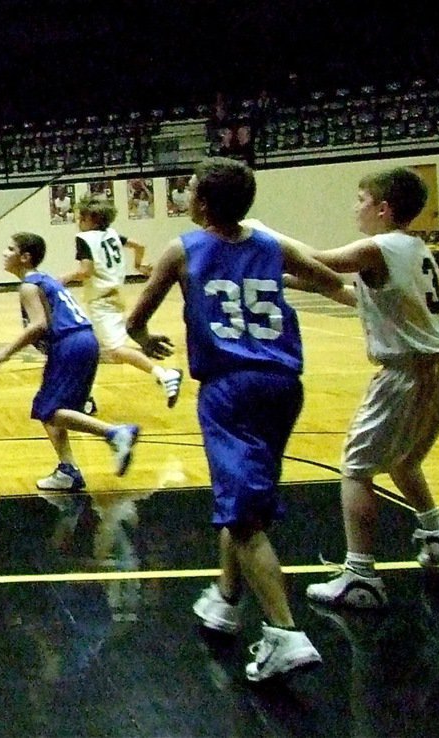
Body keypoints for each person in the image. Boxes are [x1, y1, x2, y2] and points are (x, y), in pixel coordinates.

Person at [125, 157, 341, 681]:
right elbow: (332, 279)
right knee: (245, 497)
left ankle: (284, 633)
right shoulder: (271, 244)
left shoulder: (183, 248)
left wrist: (146, 341)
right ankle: (225, 599)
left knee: (243, 517)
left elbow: (135, 321)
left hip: (228, 388)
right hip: (284, 386)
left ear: (199, 203)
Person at [264, 167, 439, 609]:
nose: (355, 207)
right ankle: (437, 531)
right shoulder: (410, 248)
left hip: (409, 373)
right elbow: (343, 290)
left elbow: (317, 258)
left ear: (382, 208)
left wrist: (260, 234)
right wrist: (279, 280)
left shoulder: (377, 246)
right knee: (404, 458)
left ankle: (360, 576)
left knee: (356, 468)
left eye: (360, 199)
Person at [0, 231, 140, 492]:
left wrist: (5, 352)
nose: (4, 253)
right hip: (83, 341)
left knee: (50, 410)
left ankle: (115, 433)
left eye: (10, 249)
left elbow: (39, 325)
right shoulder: (45, 280)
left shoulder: (29, 286)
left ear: (25, 257)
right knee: (51, 409)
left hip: (70, 344)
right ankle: (68, 470)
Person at [60, 197, 182, 412]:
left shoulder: (84, 238)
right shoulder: (112, 234)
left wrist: (61, 279)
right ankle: (84, 399)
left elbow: (85, 271)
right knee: (87, 350)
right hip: (115, 296)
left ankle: (164, 375)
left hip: (102, 301)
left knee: (115, 350)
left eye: (81, 217)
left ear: (91, 219)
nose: (78, 221)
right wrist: (139, 265)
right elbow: (139, 245)